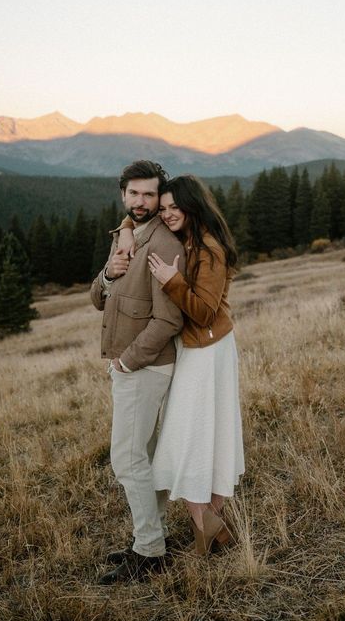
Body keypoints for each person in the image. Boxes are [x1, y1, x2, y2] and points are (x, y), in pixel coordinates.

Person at [118, 173, 245, 555]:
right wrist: (125, 227)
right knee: (205, 433)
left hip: (207, 351)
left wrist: (172, 281)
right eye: (165, 206)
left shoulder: (209, 249)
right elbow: (136, 215)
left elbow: (204, 313)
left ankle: (208, 525)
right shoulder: (188, 237)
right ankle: (209, 528)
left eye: (176, 207)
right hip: (197, 350)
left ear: (193, 207)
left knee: (187, 436)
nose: (168, 213)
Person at [90, 160, 186, 584]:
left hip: (144, 368)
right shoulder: (127, 236)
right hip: (132, 366)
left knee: (127, 460)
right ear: (123, 195)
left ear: (158, 196)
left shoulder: (163, 244)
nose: (142, 201)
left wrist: (128, 361)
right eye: (134, 194)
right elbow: (98, 298)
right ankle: (151, 537)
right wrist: (108, 275)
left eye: (150, 194)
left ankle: (149, 551)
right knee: (143, 457)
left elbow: (169, 321)